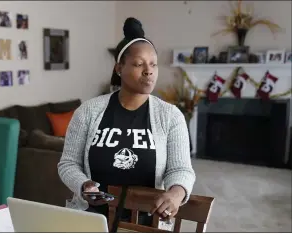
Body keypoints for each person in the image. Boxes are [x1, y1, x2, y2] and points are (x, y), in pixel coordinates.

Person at [58, 17, 195, 226]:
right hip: (91, 221)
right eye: (139, 64)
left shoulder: (171, 116)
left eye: (153, 64)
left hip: (147, 224)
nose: (148, 71)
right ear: (119, 68)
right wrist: (84, 185)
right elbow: (68, 164)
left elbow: (181, 169)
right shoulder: (88, 111)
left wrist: (176, 193)